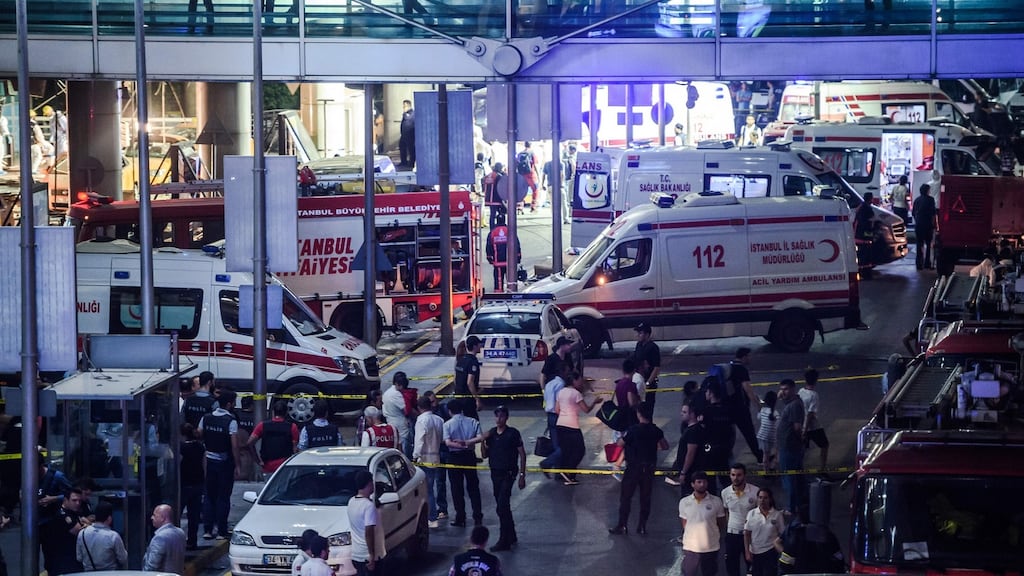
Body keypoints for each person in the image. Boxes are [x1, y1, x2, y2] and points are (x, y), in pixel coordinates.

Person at [609, 401, 668, 535]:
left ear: (639, 414)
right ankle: (642, 526)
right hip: (649, 468)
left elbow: (620, 443)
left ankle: (622, 525)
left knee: (626, 497)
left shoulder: (634, 430)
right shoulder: (656, 430)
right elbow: (665, 446)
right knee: (645, 498)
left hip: (633, 468)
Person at [481, 405, 526, 550]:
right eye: (496, 416)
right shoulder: (492, 434)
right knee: (503, 507)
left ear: (506, 418)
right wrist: (482, 441)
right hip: (495, 473)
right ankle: (511, 535)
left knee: (502, 506)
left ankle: (504, 539)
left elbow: (522, 454)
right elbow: (484, 455)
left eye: (501, 416)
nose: (498, 419)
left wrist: (522, 475)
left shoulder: (512, 434)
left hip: (508, 473)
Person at [199, 388, 240, 540]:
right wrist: (238, 465)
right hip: (224, 463)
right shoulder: (231, 421)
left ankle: (208, 530)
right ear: (229, 404)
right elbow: (235, 445)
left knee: (209, 495)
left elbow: (199, 433)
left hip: (209, 461)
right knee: (223, 497)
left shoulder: (206, 418)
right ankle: (221, 531)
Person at [554, 370, 603, 485]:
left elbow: (557, 410)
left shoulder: (561, 392)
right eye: (580, 380)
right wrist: (595, 402)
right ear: (574, 380)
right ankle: (569, 474)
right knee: (580, 450)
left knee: (566, 450)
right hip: (572, 426)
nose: (581, 382)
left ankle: (565, 473)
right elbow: (586, 410)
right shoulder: (576, 394)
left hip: (560, 425)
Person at [443, 399, 484, 527]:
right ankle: (478, 516)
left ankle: (460, 517)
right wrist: (467, 443)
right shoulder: (473, 421)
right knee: (473, 487)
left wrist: (458, 444)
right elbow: (480, 437)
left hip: (454, 458)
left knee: (456, 488)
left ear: (450, 411)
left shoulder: (447, 425)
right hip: (469, 456)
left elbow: (448, 442)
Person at [678, 471, 727, 576]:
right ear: (692, 484)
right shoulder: (684, 502)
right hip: (691, 547)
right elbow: (685, 523)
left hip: (711, 547)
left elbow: (721, 522)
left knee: (709, 573)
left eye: (704, 482)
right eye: (699, 482)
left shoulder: (716, 501)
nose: (702, 484)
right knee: (689, 573)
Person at [725, 347, 765, 463]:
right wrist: (758, 406)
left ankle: (727, 456)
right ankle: (760, 457)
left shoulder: (729, 367)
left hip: (727, 407)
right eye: (749, 356)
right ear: (744, 357)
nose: (750, 358)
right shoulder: (741, 369)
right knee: (749, 433)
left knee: (728, 434)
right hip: (740, 408)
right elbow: (748, 390)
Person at [722, 463, 760, 576]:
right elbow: (726, 511)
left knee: (752, 566)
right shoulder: (725, 492)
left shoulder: (755, 491)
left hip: (750, 535)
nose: (735, 478)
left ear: (744, 476)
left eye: (739, 475)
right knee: (731, 567)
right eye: (733, 475)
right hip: (732, 535)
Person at [413, 395, 444, 529]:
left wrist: (415, 456)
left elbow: (419, 440)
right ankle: (436, 513)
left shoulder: (421, 421)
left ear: (419, 407)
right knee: (434, 486)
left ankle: (431, 517)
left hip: (424, 459)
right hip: (436, 456)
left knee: (428, 490)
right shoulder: (439, 420)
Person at [42, 488, 88, 575]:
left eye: (79, 501)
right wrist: (86, 526)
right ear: (66, 500)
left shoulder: (74, 512)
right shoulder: (63, 514)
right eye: (74, 500)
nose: (77, 503)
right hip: (62, 562)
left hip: (72, 559)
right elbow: (79, 531)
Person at [247, 399, 299, 476]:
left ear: (273, 412)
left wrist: (257, 460)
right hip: (284, 466)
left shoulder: (262, 425)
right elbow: (295, 450)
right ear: (286, 412)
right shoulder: (292, 427)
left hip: (267, 466)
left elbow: (249, 443)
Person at [776, 379, 806, 513]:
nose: (783, 392)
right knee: (796, 477)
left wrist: (799, 441)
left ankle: (790, 507)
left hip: (790, 447)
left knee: (788, 477)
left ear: (793, 389)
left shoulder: (794, 405)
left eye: (786, 389)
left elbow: (797, 427)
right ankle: (800, 503)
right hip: (788, 446)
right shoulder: (791, 404)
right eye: (781, 389)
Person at [702, 381, 736, 495]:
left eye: (707, 391)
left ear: (711, 393)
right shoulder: (729, 409)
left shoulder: (707, 411)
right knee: (725, 478)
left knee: (710, 479)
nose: (705, 394)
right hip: (725, 448)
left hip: (711, 450)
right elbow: (732, 430)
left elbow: (703, 431)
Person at [347, 470, 383, 576]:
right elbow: (369, 531)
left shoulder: (351, 502)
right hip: (366, 555)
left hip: (355, 553)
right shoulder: (368, 506)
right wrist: (372, 555)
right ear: (369, 484)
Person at [743, 488, 785, 576]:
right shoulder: (751, 513)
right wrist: (747, 551)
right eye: (760, 497)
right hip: (755, 552)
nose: (762, 500)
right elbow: (747, 534)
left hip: (770, 551)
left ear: (770, 499)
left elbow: (782, 533)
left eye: (765, 498)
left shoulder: (777, 515)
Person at [76, 500, 126, 571]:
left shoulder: (82, 533)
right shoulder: (113, 536)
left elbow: (79, 558)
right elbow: (123, 559)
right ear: (109, 518)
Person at [667, 401, 704, 493]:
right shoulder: (692, 429)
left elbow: (690, 453)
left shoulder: (692, 431)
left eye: (684, 412)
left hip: (690, 473)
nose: (681, 414)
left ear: (692, 414)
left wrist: (684, 472)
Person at [539, 362, 569, 477]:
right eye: (566, 371)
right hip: (557, 416)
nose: (568, 373)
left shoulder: (549, 384)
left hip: (550, 416)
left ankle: (558, 471)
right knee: (563, 446)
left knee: (556, 444)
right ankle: (547, 463)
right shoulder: (561, 385)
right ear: (562, 372)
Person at [180, 422, 205, 550]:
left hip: (183, 484)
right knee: (193, 515)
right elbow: (204, 464)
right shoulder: (200, 447)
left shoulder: (180, 447)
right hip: (197, 483)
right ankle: (192, 540)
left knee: (177, 514)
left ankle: (177, 540)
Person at [799, 368, 829, 472]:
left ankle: (799, 470)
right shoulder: (814, 395)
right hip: (813, 427)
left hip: (802, 425)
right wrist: (805, 430)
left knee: (802, 450)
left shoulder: (801, 392)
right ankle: (822, 469)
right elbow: (811, 414)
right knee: (824, 445)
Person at [485, 212, 521, 292]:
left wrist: (490, 258)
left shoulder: (493, 232)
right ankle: (512, 294)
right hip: (510, 263)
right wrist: (518, 258)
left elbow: (489, 247)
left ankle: (499, 296)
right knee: (511, 281)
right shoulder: (510, 231)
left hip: (498, 263)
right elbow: (516, 245)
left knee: (499, 281)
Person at [144, 504, 186, 573]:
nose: (152, 518)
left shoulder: (160, 538)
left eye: (154, 515)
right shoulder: (181, 533)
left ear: (162, 518)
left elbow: (151, 567)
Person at [631, 322, 662, 410]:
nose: (638, 335)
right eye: (638, 333)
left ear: (647, 334)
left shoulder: (653, 347)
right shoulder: (639, 345)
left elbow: (657, 367)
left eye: (640, 333)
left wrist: (648, 383)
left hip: (648, 383)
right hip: (638, 380)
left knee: (648, 407)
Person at [382, 371, 413, 456]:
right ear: (397, 383)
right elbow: (407, 409)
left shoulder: (386, 393)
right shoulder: (396, 394)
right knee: (405, 451)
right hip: (400, 426)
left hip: (391, 424)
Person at [454, 335, 484, 420]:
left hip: (458, 396)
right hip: (468, 399)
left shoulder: (461, 360)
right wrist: (477, 399)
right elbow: (470, 382)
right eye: (479, 345)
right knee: (473, 422)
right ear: (474, 346)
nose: (480, 347)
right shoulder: (472, 362)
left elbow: (455, 379)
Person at [613, 358, 642, 435]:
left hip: (621, 413)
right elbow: (631, 402)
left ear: (623, 370)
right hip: (629, 417)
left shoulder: (619, 383)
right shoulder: (630, 385)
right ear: (634, 370)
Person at [913, 183, 938, 270]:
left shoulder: (916, 200)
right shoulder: (931, 200)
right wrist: (935, 225)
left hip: (918, 224)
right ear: (927, 191)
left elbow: (913, 213)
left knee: (919, 244)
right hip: (927, 224)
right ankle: (927, 263)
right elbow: (933, 213)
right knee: (928, 244)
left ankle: (919, 264)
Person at [756, 390, 779, 474]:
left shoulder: (763, 410)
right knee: (773, 452)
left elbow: (759, 417)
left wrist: (759, 400)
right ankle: (770, 468)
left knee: (765, 454)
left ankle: (766, 470)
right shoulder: (775, 413)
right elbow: (778, 426)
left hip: (762, 436)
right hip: (771, 437)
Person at [516, 141, 540, 212]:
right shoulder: (532, 153)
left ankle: (520, 206)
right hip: (531, 174)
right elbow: (535, 165)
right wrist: (538, 175)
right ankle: (533, 206)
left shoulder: (520, 154)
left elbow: (516, 163)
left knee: (522, 191)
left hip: (522, 175)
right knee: (535, 190)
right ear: (531, 145)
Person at [482, 162, 507, 230]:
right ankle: (501, 228)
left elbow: (482, 181)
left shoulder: (488, 175)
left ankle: (492, 230)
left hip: (489, 199)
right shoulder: (498, 176)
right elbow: (501, 187)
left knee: (492, 216)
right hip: (497, 199)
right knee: (502, 214)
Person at [400, 99, 416, 168]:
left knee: (411, 149)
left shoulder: (412, 114)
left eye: (405, 106)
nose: (403, 108)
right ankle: (403, 162)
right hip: (404, 135)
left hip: (410, 135)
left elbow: (409, 122)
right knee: (402, 147)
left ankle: (411, 163)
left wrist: (405, 115)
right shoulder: (405, 115)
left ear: (408, 106)